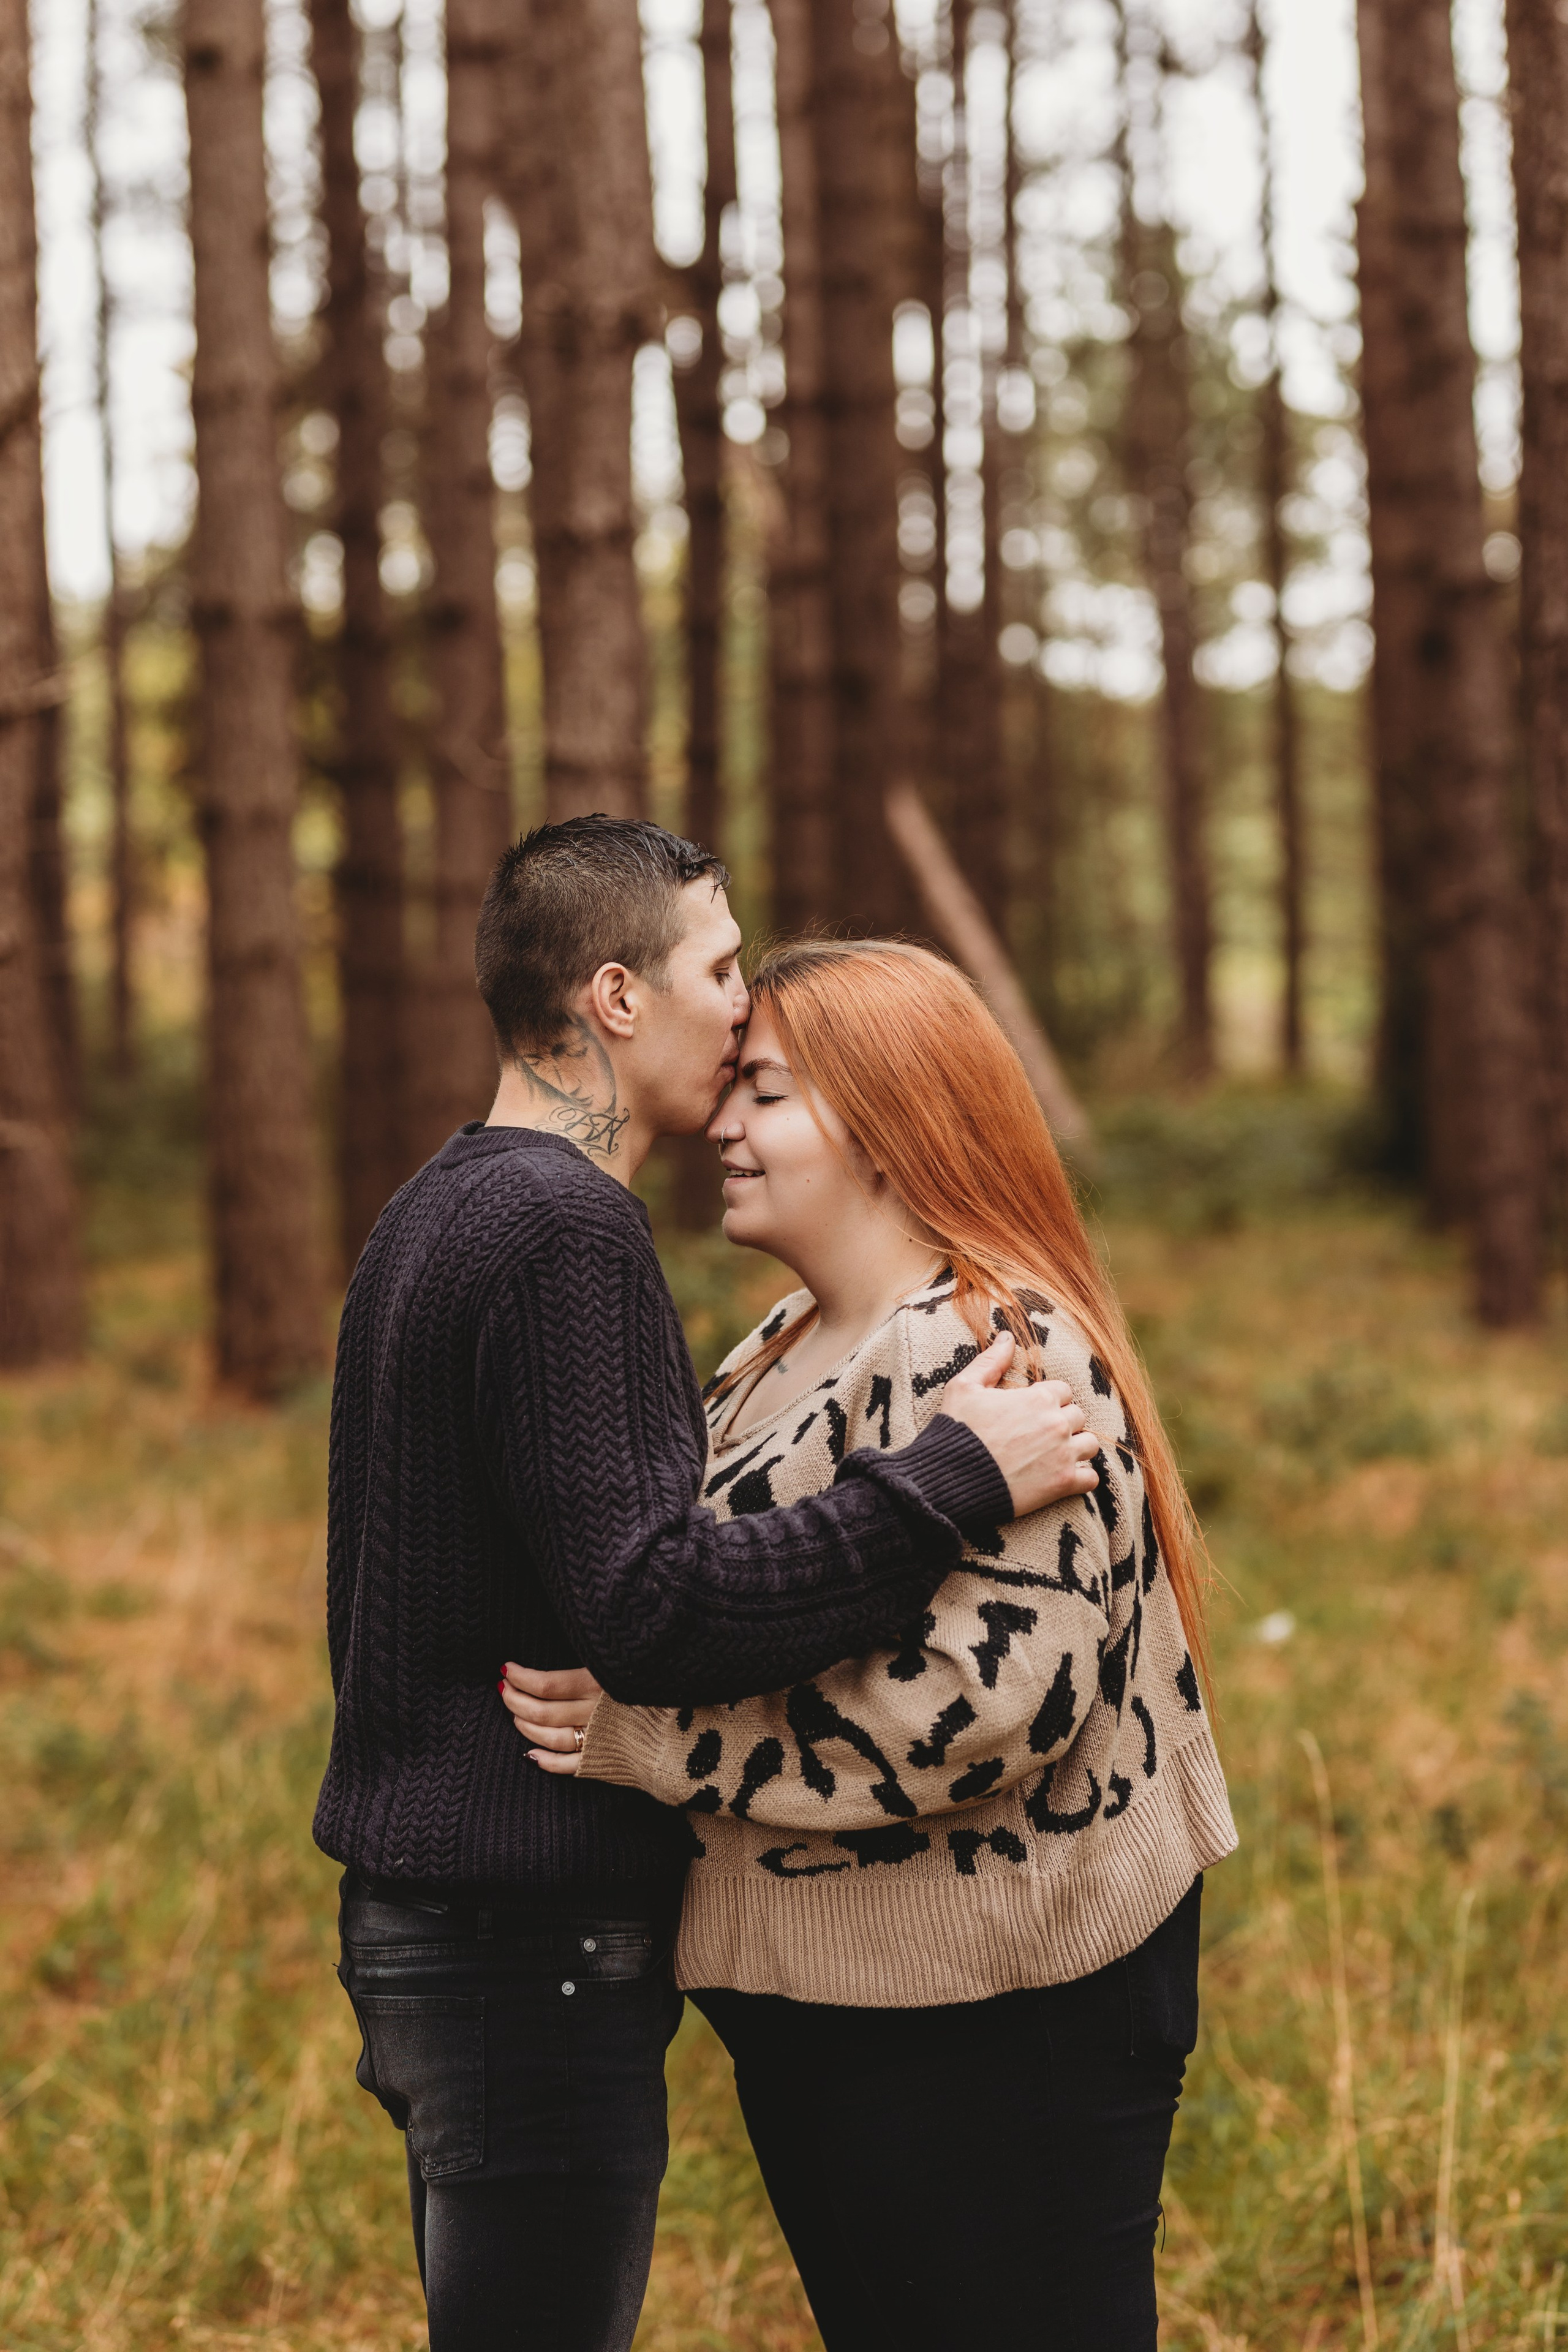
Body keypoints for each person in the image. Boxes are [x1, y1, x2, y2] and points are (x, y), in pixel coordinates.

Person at [315, 820, 1102, 2352]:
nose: (743, 1008)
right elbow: (653, 1610)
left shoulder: (439, 1204)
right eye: (719, 969)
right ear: (616, 997)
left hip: (450, 1920)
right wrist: (946, 1480)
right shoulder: (563, 1227)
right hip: (518, 1938)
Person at [504, 937, 1237, 2352]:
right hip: (833, 1998)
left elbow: (979, 1707)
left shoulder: (996, 1349)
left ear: (895, 1125)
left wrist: (652, 1738)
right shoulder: (784, 1339)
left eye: (764, 1094)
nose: (721, 1122)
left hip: (998, 2011)